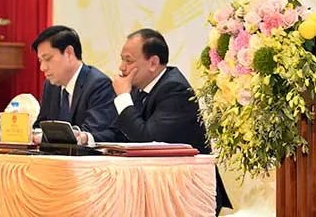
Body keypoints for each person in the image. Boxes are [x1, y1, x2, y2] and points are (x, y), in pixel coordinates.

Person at [111, 28, 232, 215]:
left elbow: (147, 140)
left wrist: (122, 98)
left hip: (188, 194)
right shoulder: (137, 88)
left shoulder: (174, 89)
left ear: (153, 63)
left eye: (128, 60)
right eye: (122, 59)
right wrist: (86, 138)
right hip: (157, 188)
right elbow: (118, 132)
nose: (121, 67)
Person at [32, 25, 118, 143]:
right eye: (40, 61)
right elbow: (40, 125)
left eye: (48, 59)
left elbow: (88, 133)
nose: (42, 68)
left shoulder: (98, 84)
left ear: (69, 53)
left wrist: (41, 138)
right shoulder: (50, 85)